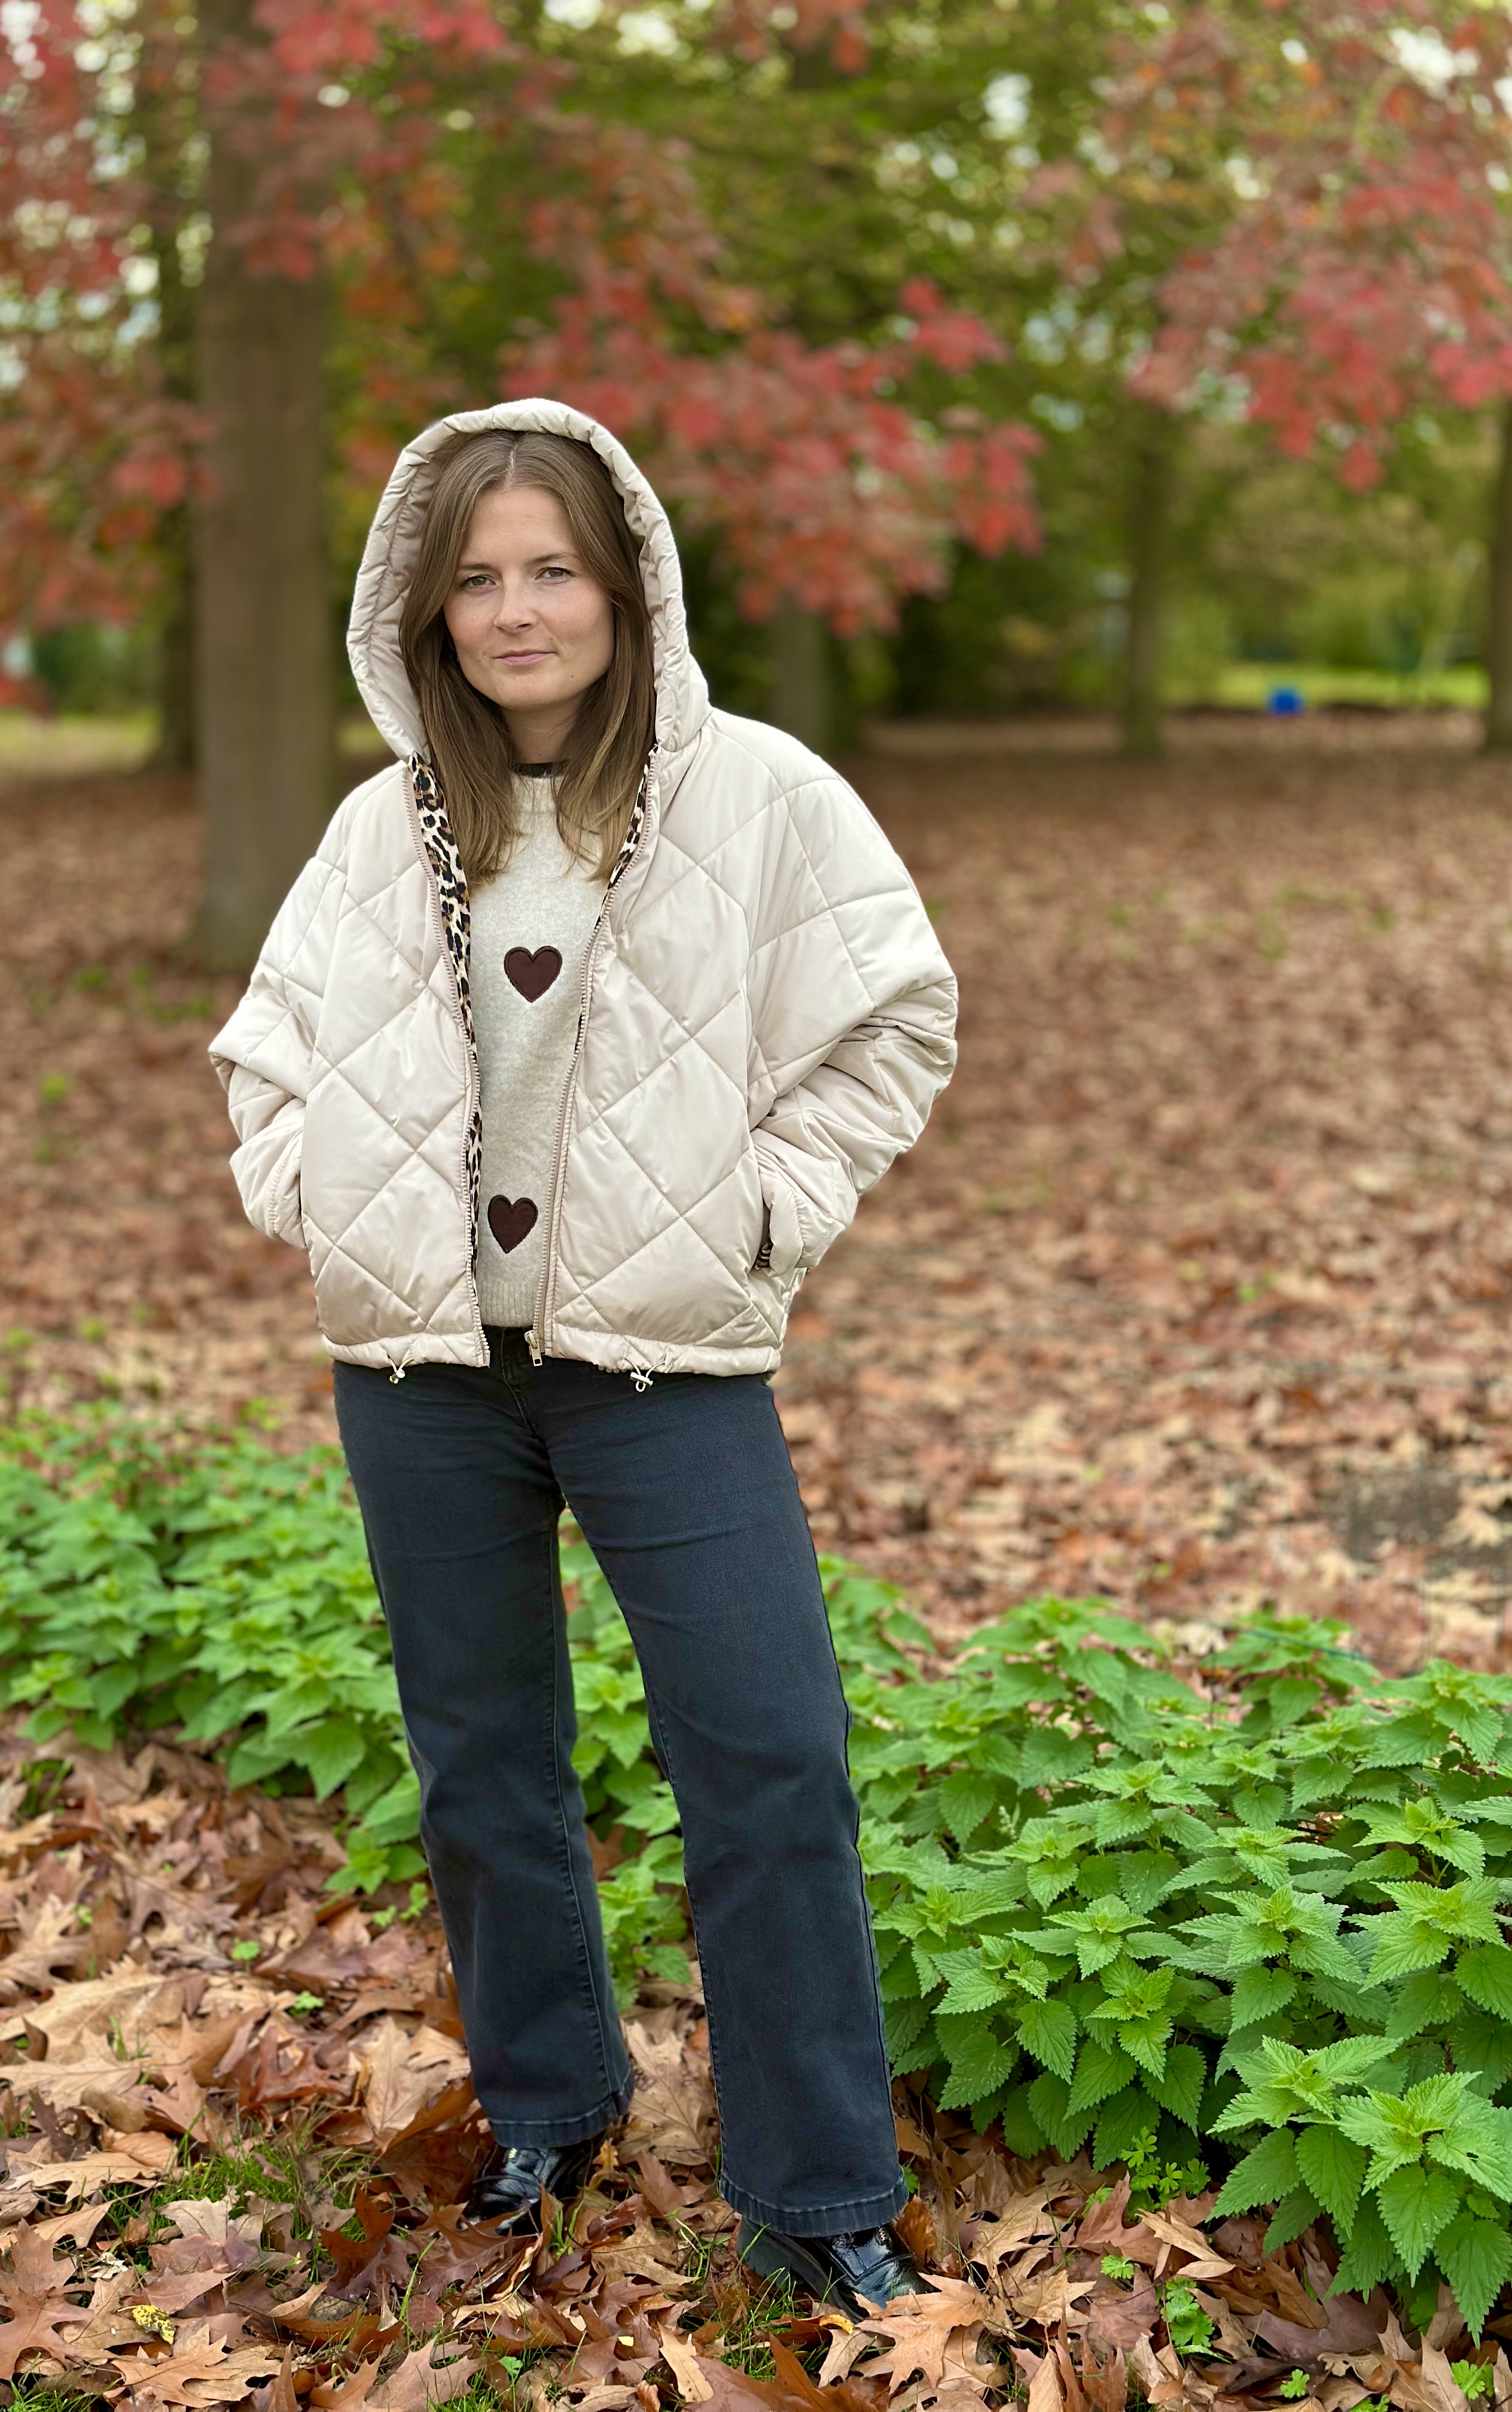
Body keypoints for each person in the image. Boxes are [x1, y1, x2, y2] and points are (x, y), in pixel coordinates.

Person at [209, 400, 957, 2312]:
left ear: (627, 587)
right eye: (476, 577)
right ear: (423, 607)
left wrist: (762, 1212)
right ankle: (550, 2100)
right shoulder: (383, 829)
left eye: (552, 570)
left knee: (771, 1756)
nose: (517, 609)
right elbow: (264, 1053)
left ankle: (820, 2191)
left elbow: (895, 1019)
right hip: (419, 1380)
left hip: (667, 1372)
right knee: (483, 1766)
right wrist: (321, 1189)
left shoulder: (762, 796)